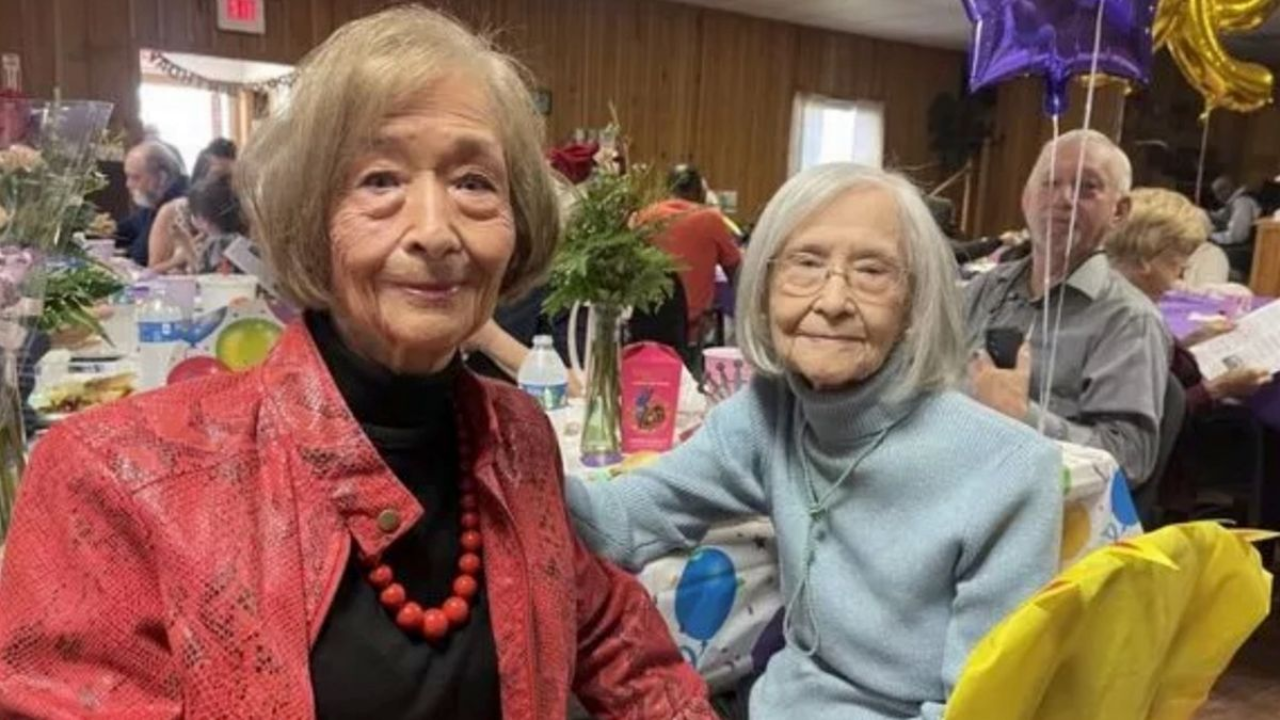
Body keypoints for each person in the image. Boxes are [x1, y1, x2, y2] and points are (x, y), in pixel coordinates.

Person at [0, 8, 714, 719]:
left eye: (474, 182)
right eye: (378, 180)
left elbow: (613, 635)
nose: (435, 232)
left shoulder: (518, 436)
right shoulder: (116, 476)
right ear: (310, 217)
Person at [567, 163, 1063, 720]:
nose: (832, 300)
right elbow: (625, 519)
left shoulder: (1011, 471)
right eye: (805, 264)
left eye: (872, 271)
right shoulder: (770, 412)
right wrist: (500, 444)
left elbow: (979, 709)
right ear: (764, 288)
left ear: (915, 305)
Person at [965, 129, 1169, 487]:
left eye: (1087, 187)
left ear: (1119, 211)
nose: (1063, 199)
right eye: (1049, 184)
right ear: (1026, 199)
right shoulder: (986, 288)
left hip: (1037, 507)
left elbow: (1130, 460)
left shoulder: (1129, 320)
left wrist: (1023, 416)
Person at [1105, 187, 1273, 514]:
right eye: (1177, 264)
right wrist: (1219, 388)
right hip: (1155, 475)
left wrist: (1192, 339)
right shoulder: (1134, 320)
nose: (1180, 278)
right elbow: (1157, 415)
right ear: (1145, 261)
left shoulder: (1119, 302)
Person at [639, 164, 742, 340]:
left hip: (647, 320)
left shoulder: (645, 216)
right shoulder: (711, 218)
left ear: (668, 189)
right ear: (700, 190)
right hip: (693, 326)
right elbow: (736, 271)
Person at [148, 138, 238, 273]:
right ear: (199, 178)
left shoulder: (243, 216)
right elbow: (152, 271)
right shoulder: (173, 211)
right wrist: (179, 258)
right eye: (219, 178)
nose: (226, 186)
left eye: (232, 178)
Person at [116, 139, 188, 266]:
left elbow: (146, 259)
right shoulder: (153, 199)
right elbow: (123, 230)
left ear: (161, 177)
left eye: (135, 178)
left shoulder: (177, 206)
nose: (128, 185)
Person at [186, 171, 251, 274]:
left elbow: (202, 275)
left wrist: (185, 245)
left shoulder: (216, 243)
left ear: (204, 219)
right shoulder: (240, 239)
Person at [1208, 175, 1261, 277]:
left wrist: (1212, 237)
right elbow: (1222, 215)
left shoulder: (1242, 203)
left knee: (1209, 252)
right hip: (1245, 248)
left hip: (1248, 251)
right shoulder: (1235, 202)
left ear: (1228, 189)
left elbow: (1238, 235)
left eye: (1218, 192)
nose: (1217, 197)